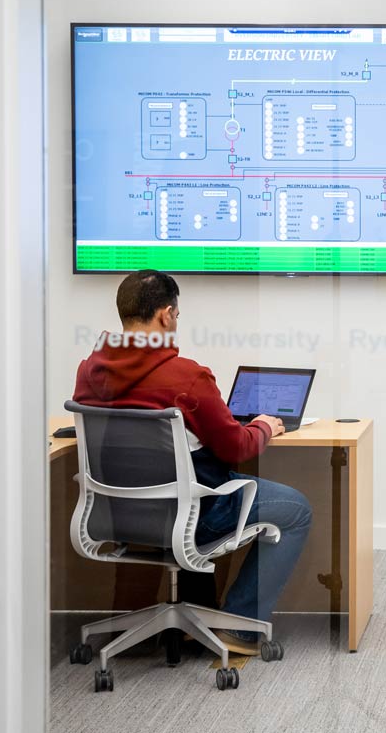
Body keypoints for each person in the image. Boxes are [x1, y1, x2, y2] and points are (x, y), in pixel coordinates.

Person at [72, 270, 312, 655]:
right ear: (166, 315)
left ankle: (188, 616)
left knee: (191, 484)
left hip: (115, 515)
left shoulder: (89, 371)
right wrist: (265, 426)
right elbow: (236, 448)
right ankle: (241, 628)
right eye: (177, 316)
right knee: (296, 508)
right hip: (192, 518)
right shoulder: (187, 377)